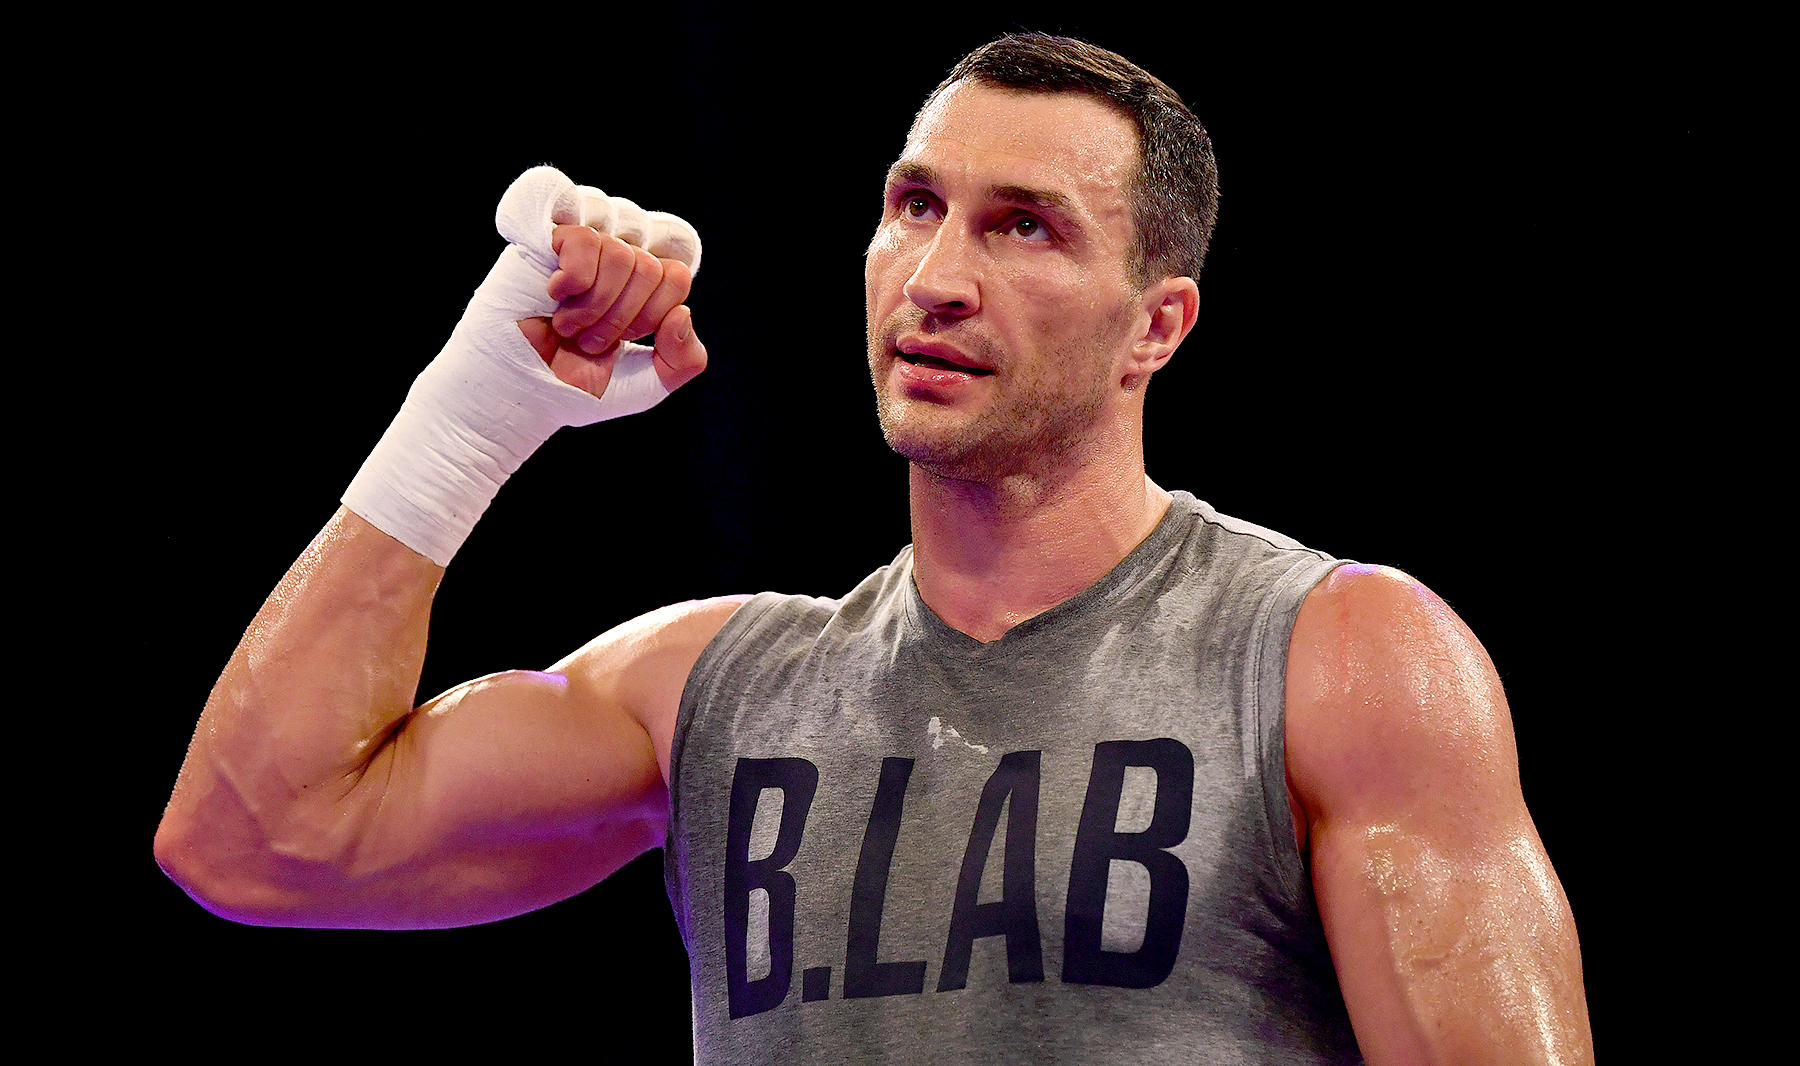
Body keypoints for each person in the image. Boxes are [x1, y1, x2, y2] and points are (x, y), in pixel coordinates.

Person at [156, 33, 1592, 1065]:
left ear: (1155, 324)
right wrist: (471, 422)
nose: (942, 278)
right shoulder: (714, 685)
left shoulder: (1339, 660)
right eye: (916, 207)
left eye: (1025, 228)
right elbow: (253, 835)